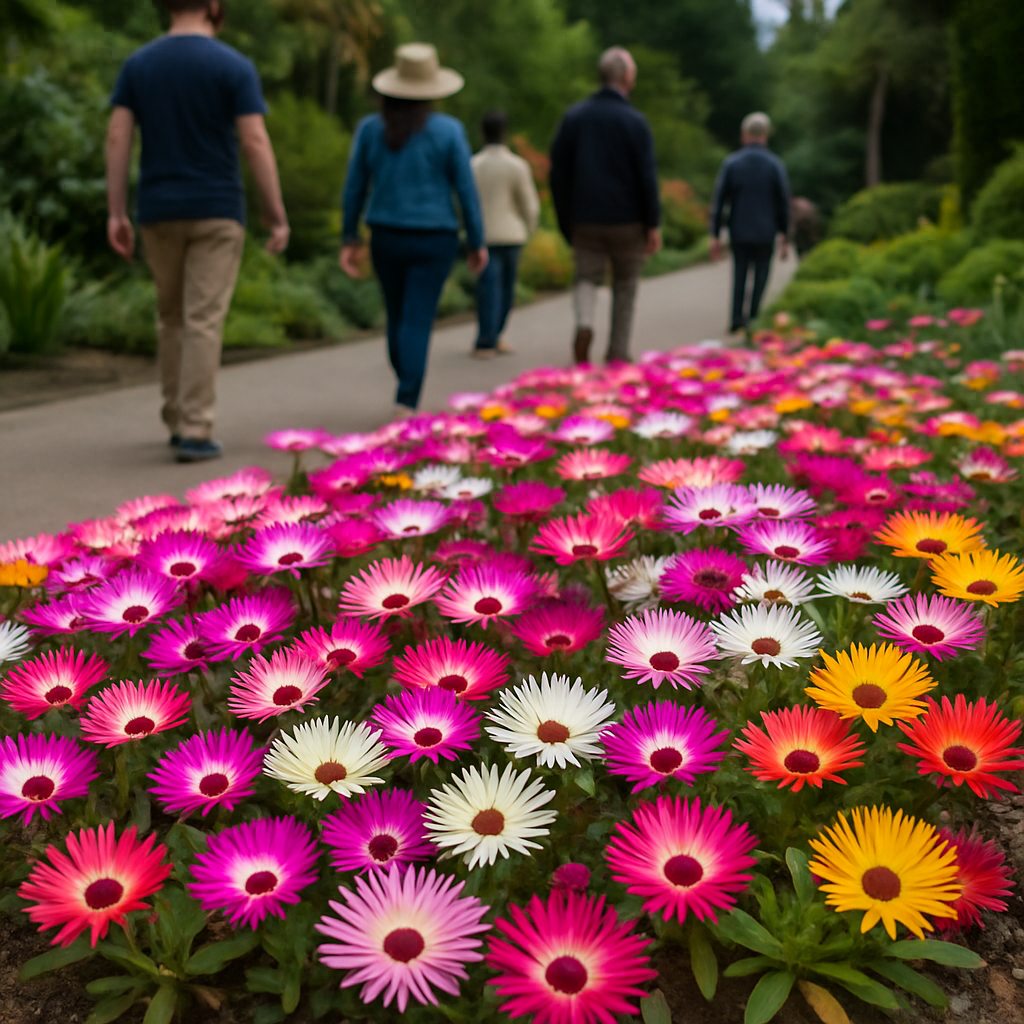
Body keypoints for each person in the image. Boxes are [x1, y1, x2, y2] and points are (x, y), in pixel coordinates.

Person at [105, 0, 289, 463]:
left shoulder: (138, 64)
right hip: (216, 209)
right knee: (203, 319)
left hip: (158, 208)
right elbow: (254, 140)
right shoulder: (234, 66)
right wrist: (276, 213)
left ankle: (175, 417)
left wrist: (116, 211)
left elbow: (118, 137)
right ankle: (195, 427)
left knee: (171, 317)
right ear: (213, 5)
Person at [340, 43, 487, 417]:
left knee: (397, 313)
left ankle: (405, 379)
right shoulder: (449, 131)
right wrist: (476, 240)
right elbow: (465, 190)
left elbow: (355, 185)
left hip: (386, 234)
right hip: (435, 237)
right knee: (418, 317)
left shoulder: (371, 129)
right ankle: (407, 399)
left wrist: (350, 236)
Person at [550, 46, 661, 365]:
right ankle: (617, 351)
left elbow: (558, 172)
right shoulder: (635, 122)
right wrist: (652, 223)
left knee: (586, 276)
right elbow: (646, 176)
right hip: (627, 221)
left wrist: (565, 218)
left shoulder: (574, 117)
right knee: (625, 285)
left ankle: (584, 324)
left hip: (584, 217)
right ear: (626, 77)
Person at [709, 111, 791, 334]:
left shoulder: (732, 163)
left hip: (739, 229)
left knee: (740, 275)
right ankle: (753, 318)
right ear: (766, 135)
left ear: (744, 134)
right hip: (766, 231)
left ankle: (737, 318)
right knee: (761, 276)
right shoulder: (775, 165)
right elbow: (783, 202)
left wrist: (715, 234)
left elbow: (720, 201)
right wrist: (785, 235)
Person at [470, 110, 540, 359]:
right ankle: (493, 336)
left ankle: (486, 338)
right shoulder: (517, 166)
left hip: (483, 235)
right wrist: (529, 228)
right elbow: (529, 204)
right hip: (511, 234)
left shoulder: (473, 165)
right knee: (506, 288)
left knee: (487, 287)